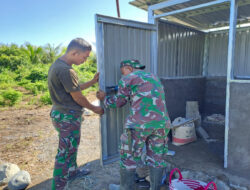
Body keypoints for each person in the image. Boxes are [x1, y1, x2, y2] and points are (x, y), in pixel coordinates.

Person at [96, 59, 171, 190]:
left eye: (122, 72)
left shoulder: (128, 78)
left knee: (128, 160)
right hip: (162, 125)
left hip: (138, 126)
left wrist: (104, 99)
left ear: (129, 68)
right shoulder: (154, 77)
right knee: (156, 159)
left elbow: (119, 102)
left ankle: (125, 188)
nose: (122, 75)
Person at [48, 38, 104, 190]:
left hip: (62, 114)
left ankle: (72, 172)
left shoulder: (58, 65)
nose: (85, 60)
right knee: (64, 153)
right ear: (74, 52)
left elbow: (75, 88)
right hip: (67, 116)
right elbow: (78, 97)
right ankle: (58, 187)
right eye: (84, 57)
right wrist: (95, 108)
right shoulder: (67, 70)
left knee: (72, 146)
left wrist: (92, 81)